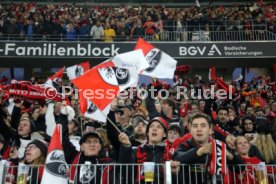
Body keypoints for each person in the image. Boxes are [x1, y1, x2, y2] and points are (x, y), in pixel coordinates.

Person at [171, 113, 244, 184]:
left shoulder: (218, 146)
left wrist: (229, 156)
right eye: (195, 126)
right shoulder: (185, 145)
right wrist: (200, 151)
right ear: (191, 130)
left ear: (210, 130)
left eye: (203, 126)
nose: (199, 129)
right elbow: (176, 159)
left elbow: (241, 168)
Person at [118, 117, 170, 184]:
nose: (154, 129)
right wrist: (126, 146)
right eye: (151, 126)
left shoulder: (170, 153)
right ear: (147, 133)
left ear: (164, 134)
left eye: (159, 127)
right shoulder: (136, 150)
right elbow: (125, 169)